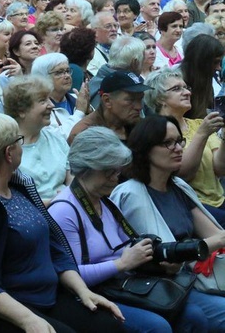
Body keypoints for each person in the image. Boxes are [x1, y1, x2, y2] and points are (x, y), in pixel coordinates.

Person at [0, 113, 124, 333]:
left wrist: (83, 291)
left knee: (110, 327)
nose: (22, 145)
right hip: (9, 308)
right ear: (9, 153)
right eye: (18, 140)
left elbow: (54, 248)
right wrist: (28, 320)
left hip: (48, 297)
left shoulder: (19, 187)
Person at [49, 127, 206, 333]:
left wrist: (158, 260)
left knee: (195, 317)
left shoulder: (105, 202)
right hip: (92, 293)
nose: (116, 177)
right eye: (109, 171)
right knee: (157, 327)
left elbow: (129, 246)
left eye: (118, 170)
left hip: (123, 283)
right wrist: (121, 264)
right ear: (87, 168)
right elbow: (70, 274)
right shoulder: (64, 211)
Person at [111, 115, 225, 332]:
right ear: (145, 149)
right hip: (164, 284)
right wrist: (215, 241)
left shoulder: (177, 185)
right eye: (167, 143)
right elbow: (168, 258)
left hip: (191, 276)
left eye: (179, 141)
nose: (178, 148)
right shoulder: (132, 194)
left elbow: (215, 235)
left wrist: (216, 240)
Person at [144, 68, 225, 226]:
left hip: (219, 201)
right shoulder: (156, 131)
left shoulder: (199, 124)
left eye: (186, 88)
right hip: (191, 206)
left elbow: (220, 169)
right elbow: (182, 174)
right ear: (159, 98)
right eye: (177, 89)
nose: (187, 92)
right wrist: (202, 135)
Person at [4, 75, 71, 202]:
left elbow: (72, 177)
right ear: (21, 110)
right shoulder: (7, 149)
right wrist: (53, 203)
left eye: (49, 99)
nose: (51, 105)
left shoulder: (56, 138)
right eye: (42, 101)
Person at [69, 70, 148, 144]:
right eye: (130, 100)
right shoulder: (84, 136)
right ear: (107, 100)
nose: (139, 106)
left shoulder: (140, 127)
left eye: (140, 99)